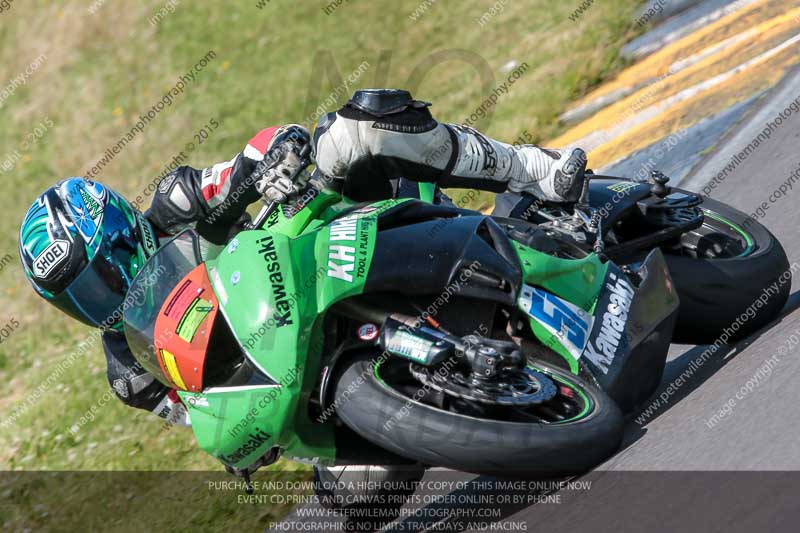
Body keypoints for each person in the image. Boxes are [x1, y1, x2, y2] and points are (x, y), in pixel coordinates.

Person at [18, 88, 587, 425]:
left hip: (337, 238)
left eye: (102, 273)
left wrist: (277, 159)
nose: (103, 297)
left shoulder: (178, 203)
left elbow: (264, 146)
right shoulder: (129, 367)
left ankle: (533, 171)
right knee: (355, 501)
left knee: (353, 129)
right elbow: (207, 418)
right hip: (297, 372)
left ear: (123, 230)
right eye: (80, 299)